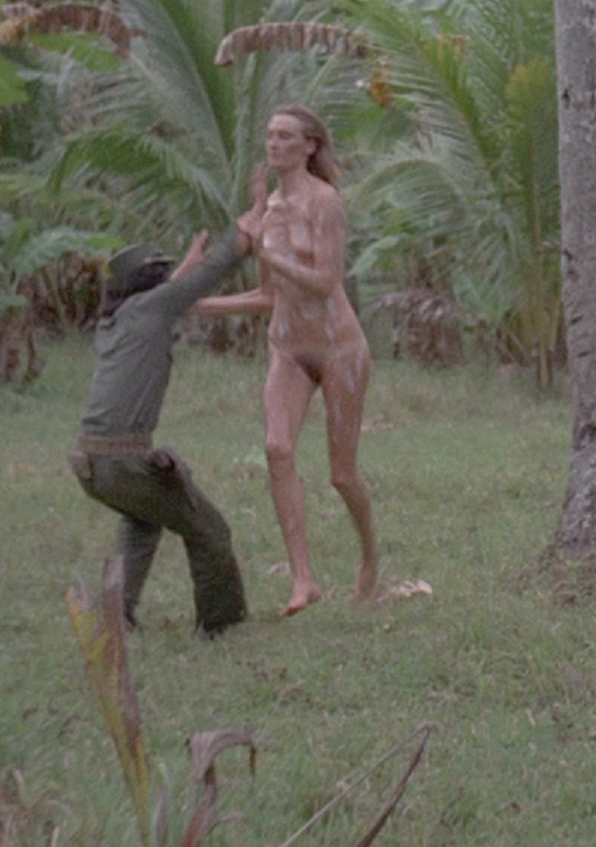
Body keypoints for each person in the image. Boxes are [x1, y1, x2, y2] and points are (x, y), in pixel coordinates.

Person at [194, 105, 376, 616]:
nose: (274, 144)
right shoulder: (268, 210)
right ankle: (303, 579)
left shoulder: (325, 202)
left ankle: (369, 557)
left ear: (309, 146)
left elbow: (325, 282)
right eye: (271, 136)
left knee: (343, 475)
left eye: (286, 136)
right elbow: (268, 297)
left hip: (339, 349)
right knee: (277, 448)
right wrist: (196, 303)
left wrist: (267, 254)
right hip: (289, 348)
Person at [69, 205, 261, 636]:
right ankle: (221, 626)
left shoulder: (116, 319)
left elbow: (174, 289)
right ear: (148, 285)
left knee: (143, 522)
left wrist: (187, 263)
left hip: (91, 463)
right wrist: (240, 237)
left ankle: (115, 616)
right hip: (122, 462)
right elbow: (206, 277)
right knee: (210, 530)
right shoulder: (151, 309)